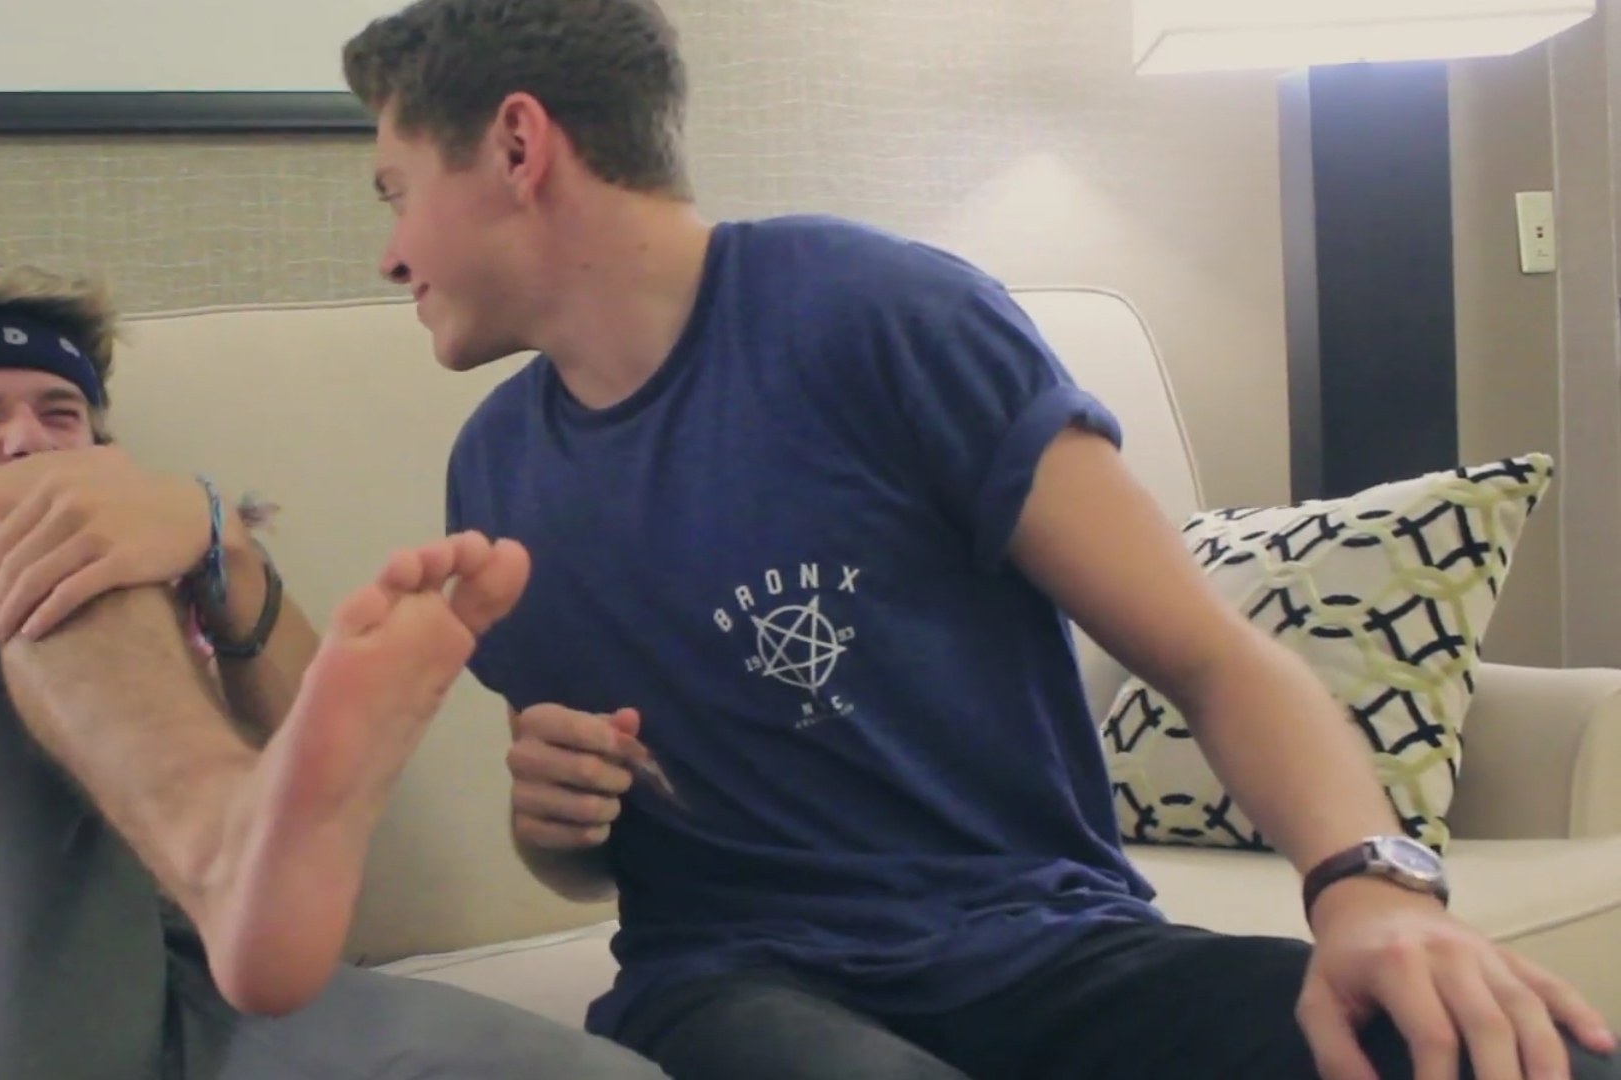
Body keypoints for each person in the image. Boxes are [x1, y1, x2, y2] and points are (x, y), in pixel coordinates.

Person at [337, 2, 1621, 1079]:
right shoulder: (495, 470)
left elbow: (1210, 656)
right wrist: (555, 823)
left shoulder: (883, 316)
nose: (391, 256)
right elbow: (588, 858)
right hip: (729, 986)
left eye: (397, 191)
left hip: (1052, 951)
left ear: (517, 146)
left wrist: (1372, 894)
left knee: (1502, 1054)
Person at [0, 261, 670, 1080]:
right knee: (47, 563)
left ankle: (224, 857)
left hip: (186, 988)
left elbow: (317, 785)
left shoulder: (149, 603)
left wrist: (219, 542)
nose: (26, 439)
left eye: (61, 414)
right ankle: (212, 845)